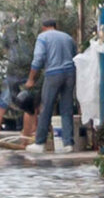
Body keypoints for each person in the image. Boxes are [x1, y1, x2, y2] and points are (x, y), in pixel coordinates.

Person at [24, 19, 78, 153]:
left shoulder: (43, 37)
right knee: (67, 108)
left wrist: (31, 79)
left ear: (43, 28)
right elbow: (75, 55)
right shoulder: (67, 37)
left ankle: (40, 143)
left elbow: (38, 58)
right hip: (70, 73)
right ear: (56, 26)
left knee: (46, 107)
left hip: (53, 73)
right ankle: (68, 143)